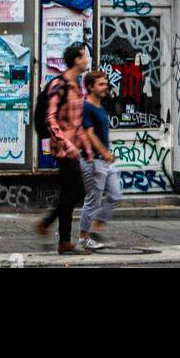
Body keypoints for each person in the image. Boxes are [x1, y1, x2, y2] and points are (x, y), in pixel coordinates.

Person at [33, 42, 92, 253]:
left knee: (69, 192)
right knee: (78, 191)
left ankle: (64, 241)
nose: (86, 60)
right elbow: (50, 118)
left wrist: (86, 146)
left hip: (73, 148)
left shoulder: (76, 86)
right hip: (63, 149)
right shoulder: (60, 85)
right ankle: (46, 223)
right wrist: (66, 143)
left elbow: (77, 122)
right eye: (84, 56)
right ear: (76, 60)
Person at [78, 71, 123, 250]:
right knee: (93, 200)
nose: (105, 87)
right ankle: (83, 237)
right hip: (93, 160)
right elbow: (89, 134)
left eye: (105, 83)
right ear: (90, 87)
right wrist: (104, 152)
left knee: (115, 195)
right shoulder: (86, 107)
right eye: (101, 84)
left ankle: (97, 227)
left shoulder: (100, 108)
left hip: (105, 161)